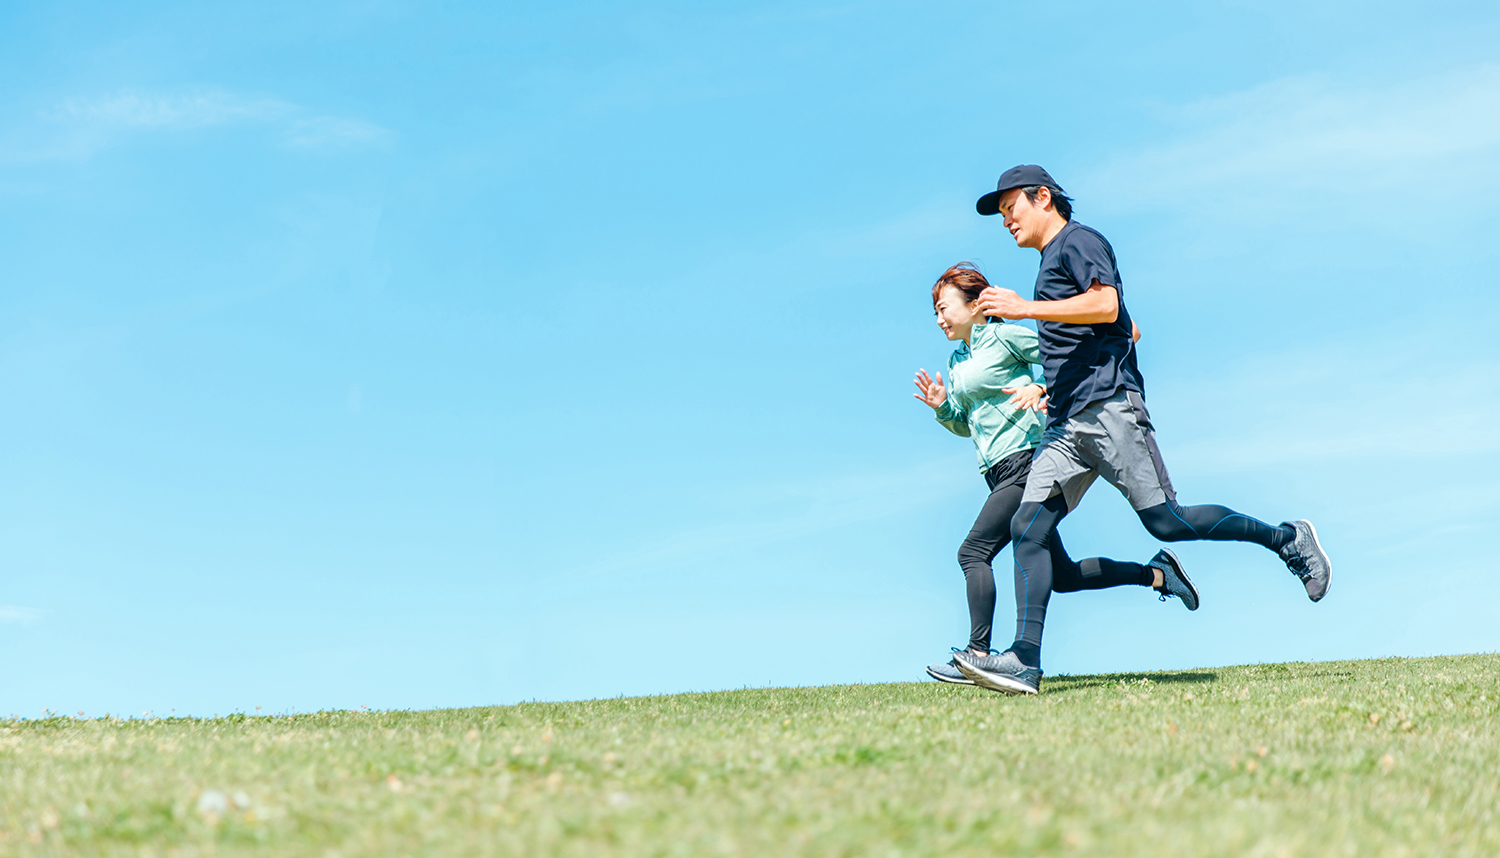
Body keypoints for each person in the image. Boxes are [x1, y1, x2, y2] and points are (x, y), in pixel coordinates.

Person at [951, 165, 1332, 696]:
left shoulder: (1079, 242)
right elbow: (1116, 326)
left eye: (1011, 208)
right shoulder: (1047, 265)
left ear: (1043, 198)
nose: (1007, 220)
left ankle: (1287, 539)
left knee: (1168, 522)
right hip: (1065, 425)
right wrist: (1046, 387)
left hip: (1110, 410)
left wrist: (1025, 307)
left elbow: (1107, 305)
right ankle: (1024, 660)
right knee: (1026, 529)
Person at [915, 262, 1198, 687]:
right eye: (934, 313)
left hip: (1028, 461)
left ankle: (976, 655)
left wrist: (1041, 389)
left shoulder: (1005, 335)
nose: (939, 319)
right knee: (1061, 576)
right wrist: (942, 406)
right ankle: (1158, 573)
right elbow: (964, 421)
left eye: (943, 308)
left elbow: (1064, 359)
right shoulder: (957, 361)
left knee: (972, 552)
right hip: (996, 471)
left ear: (976, 305)